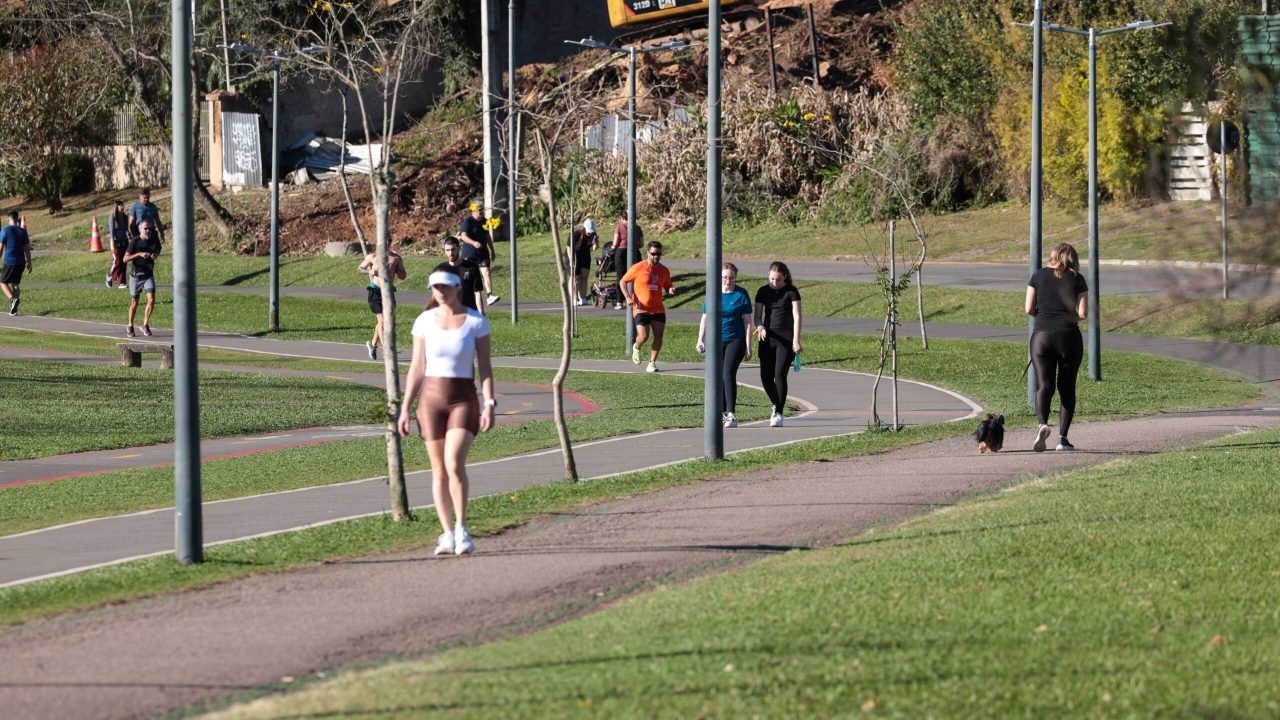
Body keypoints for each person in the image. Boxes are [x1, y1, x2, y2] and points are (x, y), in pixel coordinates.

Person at [397, 266, 496, 556]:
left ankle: (463, 528)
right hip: (430, 401)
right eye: (434, 287)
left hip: (463, 399)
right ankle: (447, 533)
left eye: (444, 286)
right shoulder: (424, 322)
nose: (439, 292)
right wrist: (405, 408)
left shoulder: (477, 322)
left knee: (454, 463)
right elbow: (417, 367)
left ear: (457, 288)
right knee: (438, 470)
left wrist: (489, 403)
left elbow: (486, 369)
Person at [1026, 242, 1088, 452]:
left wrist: (1044, 316)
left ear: (1052, 256)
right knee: (1067, 387)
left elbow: (1028, 308)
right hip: (1068, 337)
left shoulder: (1038, 275)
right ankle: (1062, 439)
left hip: (1041, 336)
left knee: (1044, 385)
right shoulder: (1078, 279)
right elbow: (1083, 313)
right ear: (1073, 259)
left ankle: (1043, 424)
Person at [697, 262, 754, 428]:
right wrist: (700, 339)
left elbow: (748, 321)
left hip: (736, 339)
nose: (727, 281)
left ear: (735, 278)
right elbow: (705, 317)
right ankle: (721, 412)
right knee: (718, 375)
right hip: (716, 340)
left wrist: (748, 345)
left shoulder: (741, 295)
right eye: (724, 277)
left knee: (728, 373)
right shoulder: (713, 294)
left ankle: (731, 413)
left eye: (731, 278)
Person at [754, 261, 802, 427]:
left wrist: (796, 340)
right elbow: (758, 315)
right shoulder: (762, 291)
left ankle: (779, 413)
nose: (775, 282)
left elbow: (797, 316)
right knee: (765, 377)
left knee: (779, 374)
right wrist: (759, 326)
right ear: (768, 275)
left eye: (778, 280)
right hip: (767, 338)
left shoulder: (791, 291)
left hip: (786, 338)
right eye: (772, 279)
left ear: (785, 277)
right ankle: (776, 403)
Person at [620, 239, 675, 373]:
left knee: (658, 335)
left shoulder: (664, 270)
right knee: (644, 337)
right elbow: (623, 281)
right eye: (653, 254)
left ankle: (652, 363)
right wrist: (628, 297)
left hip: (657, 308)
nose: (656, 257)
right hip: (641, 308)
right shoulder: (638, 267)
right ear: (647, 253)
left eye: (658, 254)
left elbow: (667, 285)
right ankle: (637, 346)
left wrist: (670, 290)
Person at [358, 248, 407, 360]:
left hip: (388, 292)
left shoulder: (396, 258)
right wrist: (370, 272)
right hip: (375, 292)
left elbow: (404, 275)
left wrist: (399, 272)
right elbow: (360, 268)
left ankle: (373, 346)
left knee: (386, 321)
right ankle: (386, 350)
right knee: (382, 321)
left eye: (389, 240)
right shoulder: (373, 256)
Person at [123, 220, 161, 337]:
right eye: (145, 228)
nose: (148, 230)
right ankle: (130, 325)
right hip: (136, 275)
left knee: (151, 299)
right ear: (140, 230)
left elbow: (158, 249)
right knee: (135, 302)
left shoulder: (154, 240)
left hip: (148, 274)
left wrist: (155, 254)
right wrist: (139, 254)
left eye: (149, 228)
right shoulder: (135, 242)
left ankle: (145, 324)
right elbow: (125, 259)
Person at [459, 202, 499, 306]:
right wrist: (473, 242)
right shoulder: (468, 221)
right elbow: (463, 236)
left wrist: (492, 251)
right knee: (468, 277)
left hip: (482, 253)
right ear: (473, 210)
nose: (481, 211)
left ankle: (490, 296)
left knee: (486, 272)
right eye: (479, 209)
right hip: (470, 253)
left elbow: (488, 237)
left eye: (482, 209)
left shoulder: (485, 221)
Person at [1, 211, 32, 316]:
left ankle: (12, 300)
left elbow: (0, 250)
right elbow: (27, 249)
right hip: (21, 262)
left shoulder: (5, 231)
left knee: (2, 282)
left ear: (8, 219)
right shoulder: (23, 232)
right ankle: (14, 309)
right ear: (17, 219)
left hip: (10, 261)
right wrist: (29, 263)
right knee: (15, 284)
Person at [442, 235, 484, 312]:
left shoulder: (472, 267)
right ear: (444, 251)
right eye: (447, 250)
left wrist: (481, 313)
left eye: (453, 249)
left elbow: (477, 292)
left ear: (459, 249)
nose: (450, 253)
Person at [612, 213, 643, 310]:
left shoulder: (620, 227)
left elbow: (616, 242)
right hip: (635, 252)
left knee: (621, 277)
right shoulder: (637, 228)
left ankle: (619, 301)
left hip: (621, 253)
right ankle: (637, 299)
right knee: (636, 276)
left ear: (622, 218)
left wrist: (613, 247)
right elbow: (641, 244)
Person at [568, 218, 599, 305]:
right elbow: (569, 247)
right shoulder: (576, 233)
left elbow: (594, 248)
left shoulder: (593, 234)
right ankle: (574, 298)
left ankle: (583, 298)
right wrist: (571, 259)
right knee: (575, 278)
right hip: (575, 255)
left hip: (585, 256)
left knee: (584, 277)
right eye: (588, 231)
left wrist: (595, 244)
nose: (590, 233)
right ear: (584, 228)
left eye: (591, 232)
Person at [106, 200, 131, 289]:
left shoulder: (124, 217)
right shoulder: (112, 218)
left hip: (124, 241)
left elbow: (126, 229)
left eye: (123, 205)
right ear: (116, 207)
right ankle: (110, 275)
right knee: (118, 261)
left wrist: (129, 237)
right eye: (121, 206)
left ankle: (122, 282)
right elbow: (112, 233)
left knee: (124, 261)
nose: (123, 207)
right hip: (116, 243)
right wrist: (112, 245)